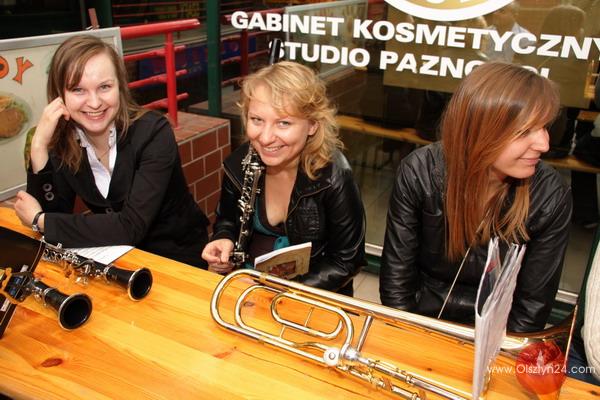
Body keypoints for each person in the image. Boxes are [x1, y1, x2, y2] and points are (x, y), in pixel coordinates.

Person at [380, 62, 572, 333]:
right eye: (525, 131)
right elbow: (396, 283)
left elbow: (531, 307)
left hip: (498, 332)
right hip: (419, 320)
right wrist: (408, 336)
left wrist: (497, 351)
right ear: (481, 131)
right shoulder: (419, 172)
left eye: (544, 127)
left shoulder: (550, 195)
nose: (544, 144)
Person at [14, 35, 209, 268]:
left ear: (120, 87)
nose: (94, 102)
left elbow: (130, 226)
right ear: (60, 96)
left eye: (104, 87)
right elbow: (52, 216)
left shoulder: (153, 132)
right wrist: (38, 147)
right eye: (78, 90)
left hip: (178, 256)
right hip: (119, 259)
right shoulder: (65, 142)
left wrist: (41, 220)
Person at [201, 61, 365, 295]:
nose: (266, 138)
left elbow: (347, 261)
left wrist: (283, 291)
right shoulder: (240, 162)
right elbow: (227, 220)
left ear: (312, 126)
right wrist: (224, 238)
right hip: (248, 286)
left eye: (284, 123)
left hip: (310, 293)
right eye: (257, 120)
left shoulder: (335, 177)